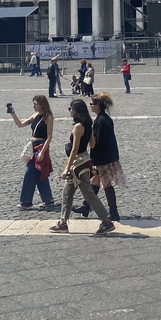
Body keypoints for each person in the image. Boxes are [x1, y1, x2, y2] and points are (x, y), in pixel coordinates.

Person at [50, 99, 115, 235]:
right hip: (85, 161)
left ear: (75, 111)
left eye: (70, 108)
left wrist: (66, 168)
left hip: (77, 165)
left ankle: (106, 221)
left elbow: (74, 150)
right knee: (67, 193)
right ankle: (63, 222)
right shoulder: (88, 124)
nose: (69, 111)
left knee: (89, 194)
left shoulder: (78, 127)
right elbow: (91, 144)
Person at [74, 93, 126, 221]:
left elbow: (99, 141)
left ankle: (113, 212)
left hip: (103, 159)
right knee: (95, 181)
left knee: (106, 184)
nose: (90, 106)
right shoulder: (103, 118)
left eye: (91, 104)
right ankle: (86, 207)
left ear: (97, 106)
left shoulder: (101, 121)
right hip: (106, 156)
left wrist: (88, 137)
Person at [9, 95, 57, 210]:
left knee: (30, 172)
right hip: (33, 146)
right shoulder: (34, 116)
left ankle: (26, 201)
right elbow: (20, 124)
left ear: (42, 105)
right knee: (40, 173)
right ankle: (48, 199)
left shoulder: (48, 118)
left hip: (41, 147)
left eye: (35, 103)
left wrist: (42, 152)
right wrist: (12, 113)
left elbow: (49, 136)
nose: (33, 105)